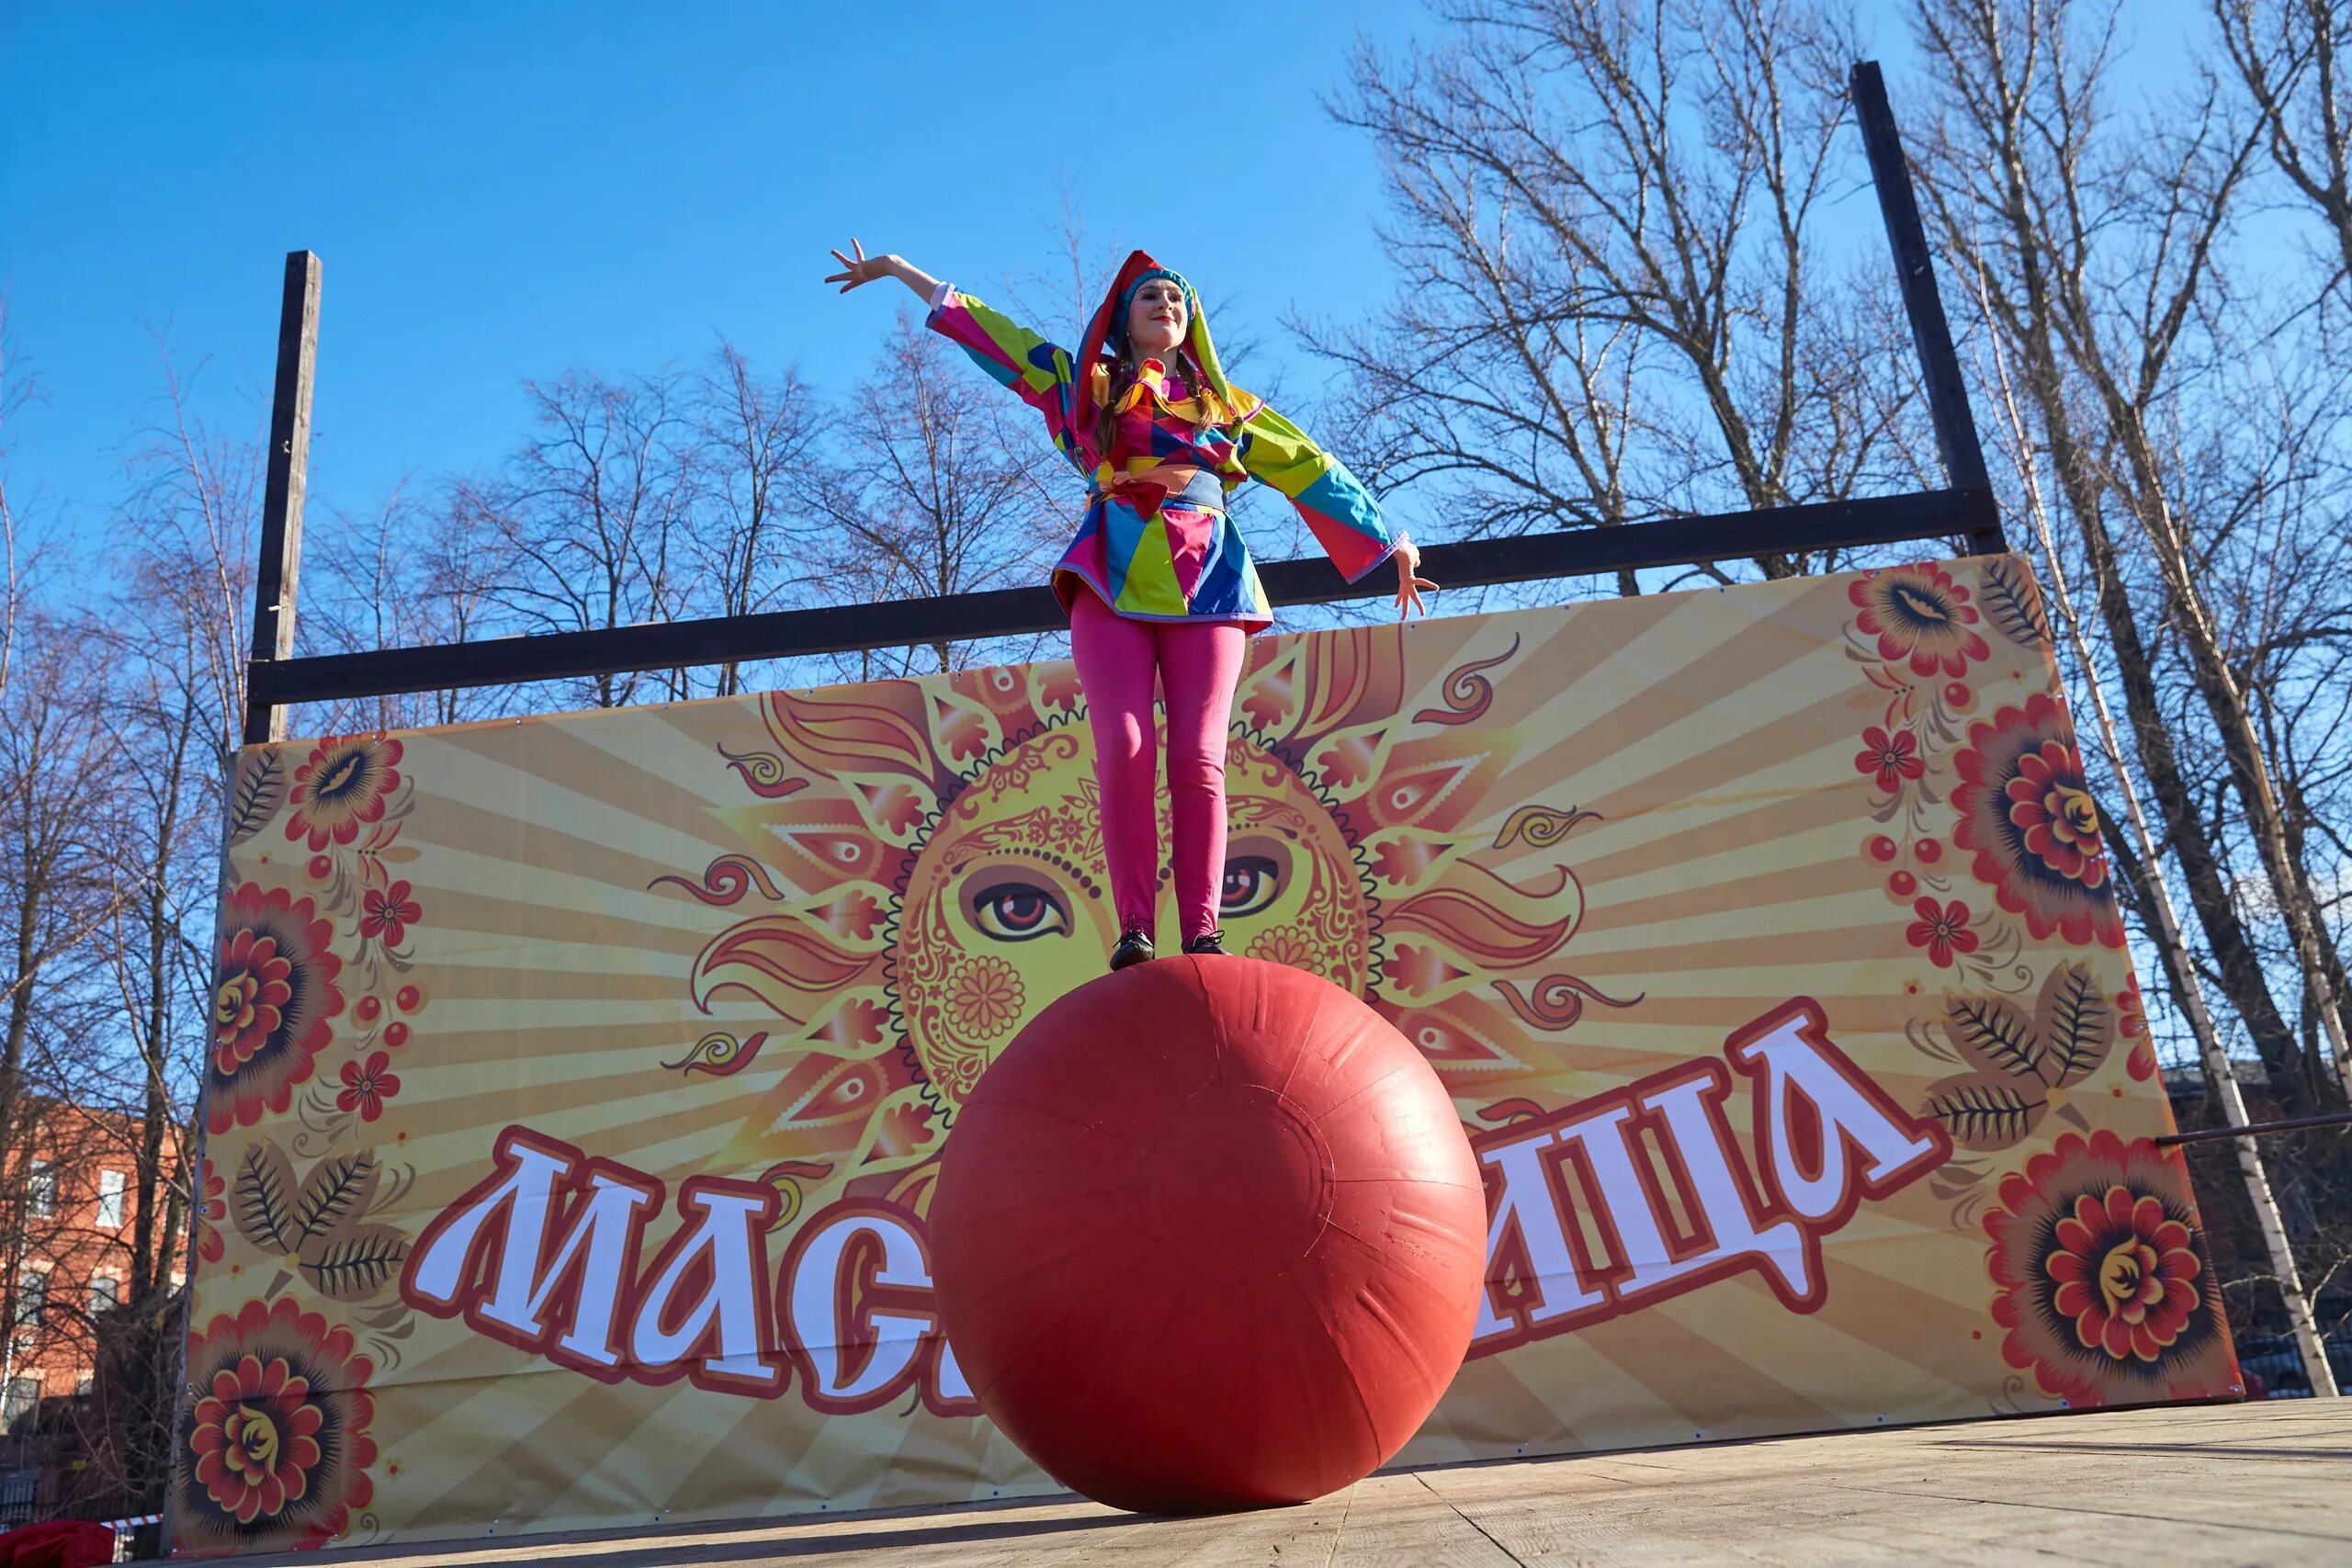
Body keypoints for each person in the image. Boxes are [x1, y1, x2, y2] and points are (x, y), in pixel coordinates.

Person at [826, 241, 1434, 972]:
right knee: (1123, 744)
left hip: (1207, 579)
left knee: (1200, 757)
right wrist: (901, 271)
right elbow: (1003, 341)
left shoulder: (1227, 407)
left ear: (1191, 319)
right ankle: (1135, 930)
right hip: (1110, 573)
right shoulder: (1088, 386)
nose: (1167, 304)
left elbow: (1309, 465)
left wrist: (1387, 537)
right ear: (1123, 315)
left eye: (1178, 297)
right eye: (1151, 296)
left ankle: (1203, 931)